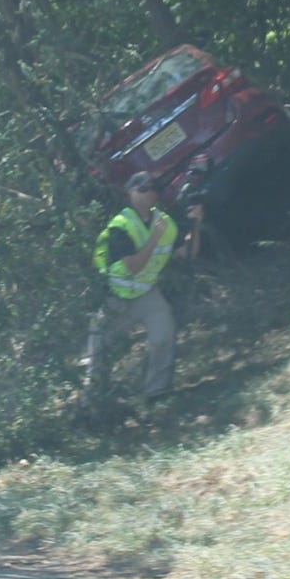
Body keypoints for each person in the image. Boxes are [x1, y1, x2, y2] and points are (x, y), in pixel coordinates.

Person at [82, 171, 202, 413]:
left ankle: (157, 394)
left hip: (147, 293)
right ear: (131, 192)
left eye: (154, 187)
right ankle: (91, 406)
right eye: (144, 188)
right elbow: (134, 267)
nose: (151, 192)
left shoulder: (165, 223)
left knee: (163, 336)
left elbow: (187, 253)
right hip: (116, 297)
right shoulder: (121, 226)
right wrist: (154, 238)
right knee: (100, 352)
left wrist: (196, 224)